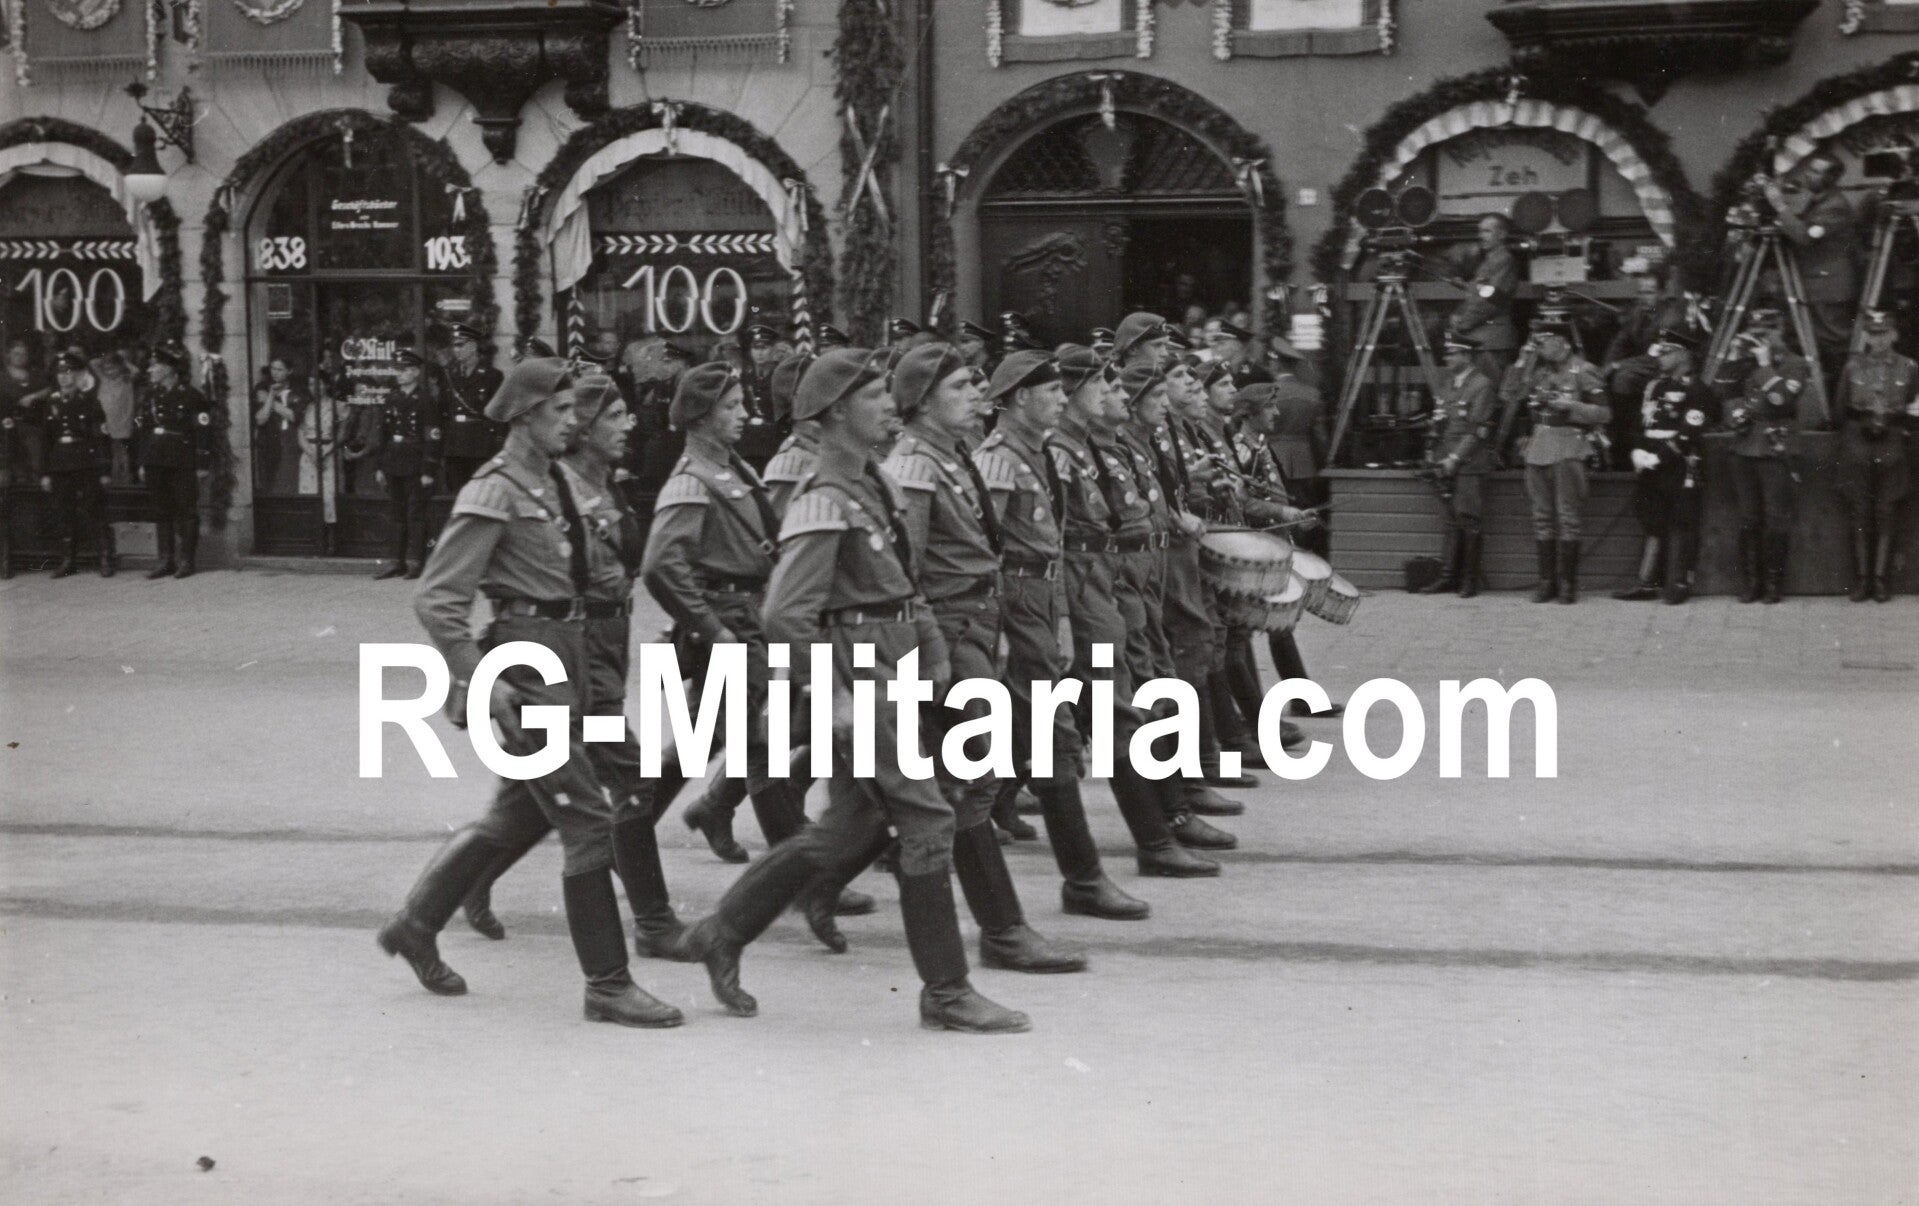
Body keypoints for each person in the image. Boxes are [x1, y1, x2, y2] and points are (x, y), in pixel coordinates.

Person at [673, 347, 1032, 1034]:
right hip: (858, 675)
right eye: (872, 397)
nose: (888, 405)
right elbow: (785, 614)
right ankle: (947, 991)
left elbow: (905, 583)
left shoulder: (875, 484)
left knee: (850, 825)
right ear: (836, 411)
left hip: (895, 664)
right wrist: (833, 698)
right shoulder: (822, 501)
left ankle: (723, 929)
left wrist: (931, 659)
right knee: (928, 817)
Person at [377, 356, 683, 1028]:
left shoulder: (552, 484)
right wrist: (481, 682)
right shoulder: (495, 491)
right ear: (522, 416)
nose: (572, 422)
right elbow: (438, 599)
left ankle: (416, 922)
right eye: (561, 411)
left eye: (577, 411)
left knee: (520, 814)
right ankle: (607, 984)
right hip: (522, 670)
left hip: (565, 663)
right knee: (586, 821)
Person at [453, 374, 705, 962]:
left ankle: (446, 898)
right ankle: (646, 929)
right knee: (596, 799)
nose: (628, 427)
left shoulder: (595, 485)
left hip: (594, 656)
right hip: (564, 663)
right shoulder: (545, 488)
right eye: (610, 417)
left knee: (538, 802)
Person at [881, 342, 1088, 969]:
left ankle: (754, 912)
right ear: (920, 403)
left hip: (977, 623)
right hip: (946, 630)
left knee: (904, 799)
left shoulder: (951, 458)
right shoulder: (915, 468)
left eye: (976, 386)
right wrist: (935, 650)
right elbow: (904, 571)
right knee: (972, 778)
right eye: (959, 388)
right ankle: (1002, 930)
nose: (976, 395)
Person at [974, 349, 1150, 918]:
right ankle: (1083, 877)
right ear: (1021, 398)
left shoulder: (1035, 454)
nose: (1059, 398)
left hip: (1043, 597)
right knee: (1047, 735)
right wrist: (995, 624)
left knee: (1036, 736)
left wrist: (1065, 621)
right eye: (1049, 391)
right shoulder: (1000, 460)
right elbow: (985, 551)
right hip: (1015, 600)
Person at [1499, 316, 1609, 603]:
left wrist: (1572, 406)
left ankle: (1567, 584)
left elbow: (1604, 414)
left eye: (1543, 340)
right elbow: (1508, 394)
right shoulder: (1537, 372)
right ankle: (1546, 582)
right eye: (1536, 341)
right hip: (1539, 446)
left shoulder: (1584, 371)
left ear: (1562, 342)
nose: (1539, 346)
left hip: (1568, 444)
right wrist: (1523, 360)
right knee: (1542, 517)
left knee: (1568, 517)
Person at [1612, 330, 1719, 604]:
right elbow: (1643, 423)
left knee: (1681, 523)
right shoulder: (1654, 387)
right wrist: (1636, 450)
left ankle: (1679, 582)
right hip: (1649, 464)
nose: (1661, 356)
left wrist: (1659, 457)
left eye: (1667, 351)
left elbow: (1688, 433)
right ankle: (1648, 582)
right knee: (1652, 521)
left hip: (1679, 465)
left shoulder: (1696, 390)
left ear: (1684, 355)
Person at [1724, 310, 1811, 604]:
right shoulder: (1746, 361)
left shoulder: (1795, 364)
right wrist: (1735, 358)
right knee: (1748, 518)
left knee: (1776, 518)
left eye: (1766, 331)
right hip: (1745, 444)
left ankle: (1773, 583)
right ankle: (1752, 581)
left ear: (1781, 330)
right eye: (1755, 331)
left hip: (1776, 446)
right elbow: (1724, 393)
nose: (1760, 338)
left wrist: (1763, 366)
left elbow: (1782, 400)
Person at [1833, 311, 1916, 603]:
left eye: (1884, 333)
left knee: (1886, 511)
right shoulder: (1852, 367)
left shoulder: (1909, 367)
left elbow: (1915, 409)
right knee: (1859, 510)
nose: (1878, 339)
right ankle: (1862, 579)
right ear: (1866, 336)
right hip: (1858, 441)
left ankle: (1880, 579)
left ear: (1894, 335)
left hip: (1892, 442)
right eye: (1873, 333)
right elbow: (1840, 410)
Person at [1762, 152, 1859, 376]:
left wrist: (1779, 205)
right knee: (1814, 345)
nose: (1807, 175)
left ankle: (1839, 401)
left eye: (1816, 171)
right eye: (1809, 169)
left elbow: (1805, 236)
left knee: (1834, 345)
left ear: (1831, 178)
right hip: (1816, 286)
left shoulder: (1835, 206)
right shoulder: (1819, 202)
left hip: (1829, 290)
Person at [1416, 335, 1498, 597]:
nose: (1447, 358)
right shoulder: (1448, 384)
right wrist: (1433, 454)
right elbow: (1439, 422)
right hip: (1445, 460)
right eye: (1447, 354)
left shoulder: (1482, 385)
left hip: (1469, 463)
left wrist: (1455, 459)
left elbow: (1478, 430)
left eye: (1453, 354)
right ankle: (1449, 577)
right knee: (1451, 521)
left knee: (1468, 519)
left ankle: (1469, 581)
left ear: (1467, 356)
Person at [135, 343, 213, 579]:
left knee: (186, 509)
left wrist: (201, 464)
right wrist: (142, 462)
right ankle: (165, 560)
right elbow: (144, 431)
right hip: (156, 459)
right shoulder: (151, 396)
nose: (151, 370)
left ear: (169, 368)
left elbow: (203, 431)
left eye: (155, 365)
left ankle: (187, 561)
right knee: (160, 509)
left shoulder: (191, 396)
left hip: (181, 460)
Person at [40, 350, 114, 578]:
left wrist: (104, 470)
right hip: (60, 465)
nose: (64, 377)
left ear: (80, 375)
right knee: (64, 511)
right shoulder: (51, 403)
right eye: (60, 373)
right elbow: (46, 441)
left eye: (69, 372)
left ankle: (105, 558)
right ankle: (68, 560)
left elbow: (102, 439)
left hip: (86, 463)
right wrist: (45, 473)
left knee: (94, 509)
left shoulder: (90, 403)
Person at [372, 349, 442, 581]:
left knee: (416, 514)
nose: (399, 374)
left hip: (415, 462)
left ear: (415, 372)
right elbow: (383, 434)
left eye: (404, 370)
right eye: (398, 370)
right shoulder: (392, 398)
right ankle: (396, 561)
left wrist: (428, 470)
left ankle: (416, 561)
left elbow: (432, 436)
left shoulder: (425, 400)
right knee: (396, 514)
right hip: (393, 461)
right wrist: (380, 466)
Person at [1448, 214, 1521, 374]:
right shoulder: (1489, 262)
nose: (1481, 236)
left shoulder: (1503, 260)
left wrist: (1463, 323)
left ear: (1502, 234)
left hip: (1492, 342)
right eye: (1480, 231)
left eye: (1487, 231)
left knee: (1489, 392)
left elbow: (1492, 300)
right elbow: (1480, 294)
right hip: (1483, 340)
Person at [439, 324, 508, 494]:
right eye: (454, 345)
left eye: (460, 344)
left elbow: (500, 414)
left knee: (482, 494)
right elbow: (443, 410)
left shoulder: (492, 376)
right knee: (457, 496)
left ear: (473, 346)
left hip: (481, 446)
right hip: (455, 446)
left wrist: (497, 446)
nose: (456, 350)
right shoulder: (450, 375)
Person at [252, 359, 304, 494]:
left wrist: (272, 404)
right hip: (268, 445)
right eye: (273, 369)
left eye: (279, 369)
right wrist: (270, 395)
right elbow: (261, 419)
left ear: (289, 371)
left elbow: (294, 416)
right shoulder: (262, 387)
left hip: (291, 444)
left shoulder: (298, 390)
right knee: (269, 487)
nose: (275, 373)